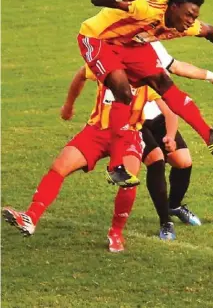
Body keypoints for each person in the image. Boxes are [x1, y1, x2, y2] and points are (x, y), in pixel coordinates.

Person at [79, 0, 213, 187]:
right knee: (123, 92)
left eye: (194, 16)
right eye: (188, 15)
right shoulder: (147, 8)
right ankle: (115, 167)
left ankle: (209, 136)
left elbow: (210, 31)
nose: (191, 21)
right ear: (174, 7)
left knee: (164, 82)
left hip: (130, 43)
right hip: (97, 39)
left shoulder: (182, 24)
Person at [2, 65, 165, 252]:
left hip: (128, 136)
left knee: (128, 180)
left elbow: (168, 101)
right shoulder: (104, 62)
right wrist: (68, 105)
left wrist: (170, 133)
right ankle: (30, 217)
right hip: (96, 133)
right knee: (59, 167)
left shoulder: (147, 71)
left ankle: (116, 233)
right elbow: (81, 74)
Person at [140, 41, 213, 240]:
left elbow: (177, 67)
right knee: (155, 161)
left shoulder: (151, 43)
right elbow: (84, 72)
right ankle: (165, 222)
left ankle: (174, 205)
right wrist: (69, 106)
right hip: (131, 119)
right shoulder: (113, 46)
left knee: (183, 162)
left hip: (158, 113)